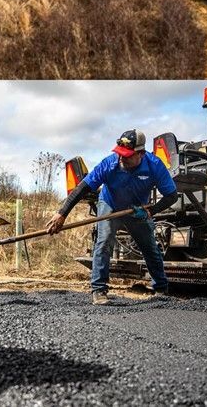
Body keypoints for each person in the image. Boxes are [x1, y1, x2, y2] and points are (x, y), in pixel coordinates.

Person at [47, 129, 179, 306]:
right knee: (104, 241)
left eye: (127, 155)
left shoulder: (154, 165)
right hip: (110, 205)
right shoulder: (109, 164)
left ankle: (161, 289)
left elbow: (172, 196)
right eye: (119, 153)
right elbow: (82, 188)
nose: (121, 158)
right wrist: (61, 213)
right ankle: (99, 290)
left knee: (149, 247)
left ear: (140, 153)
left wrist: (150, 211)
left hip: (137, 210)